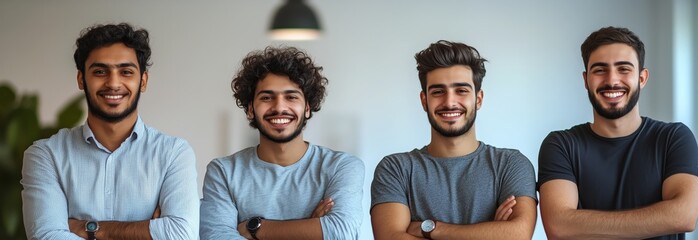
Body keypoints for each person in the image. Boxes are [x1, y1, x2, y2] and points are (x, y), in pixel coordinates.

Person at [21, 23, 199, 239]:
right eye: (99, 71)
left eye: (126, 72)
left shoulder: (173, 153)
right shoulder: (46, 155)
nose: (113, 83)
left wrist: (89, 229)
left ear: (143, 81)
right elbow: (46, 237)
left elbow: (182, 234)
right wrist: (147, 230)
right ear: (81, 79)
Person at [537, 26, 698, 239]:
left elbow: (684, 216)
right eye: (600, 70)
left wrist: (581, 224)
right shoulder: (561, 145)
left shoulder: (673, 138)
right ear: (585, 80)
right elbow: (559, 227)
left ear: (642, 78)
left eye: (624, 69)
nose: (612, 80)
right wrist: (659, 218)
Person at [370, 40, 538, 240]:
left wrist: (431, 229)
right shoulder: (396, 168)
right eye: (438, 92)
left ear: (479, 99)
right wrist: (489, 232)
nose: (449, 102)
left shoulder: (510, 164)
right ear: (424, 100)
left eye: (461, 90)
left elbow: (518, 235)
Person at [199, 46, 365, 240]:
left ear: (308, 108)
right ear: (251, 109)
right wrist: (310, 229)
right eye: (267, 97)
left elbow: (341, 232)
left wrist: (255, 229)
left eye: (291, 97)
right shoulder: (223, 171)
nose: (279, 107)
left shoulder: (341, 166)